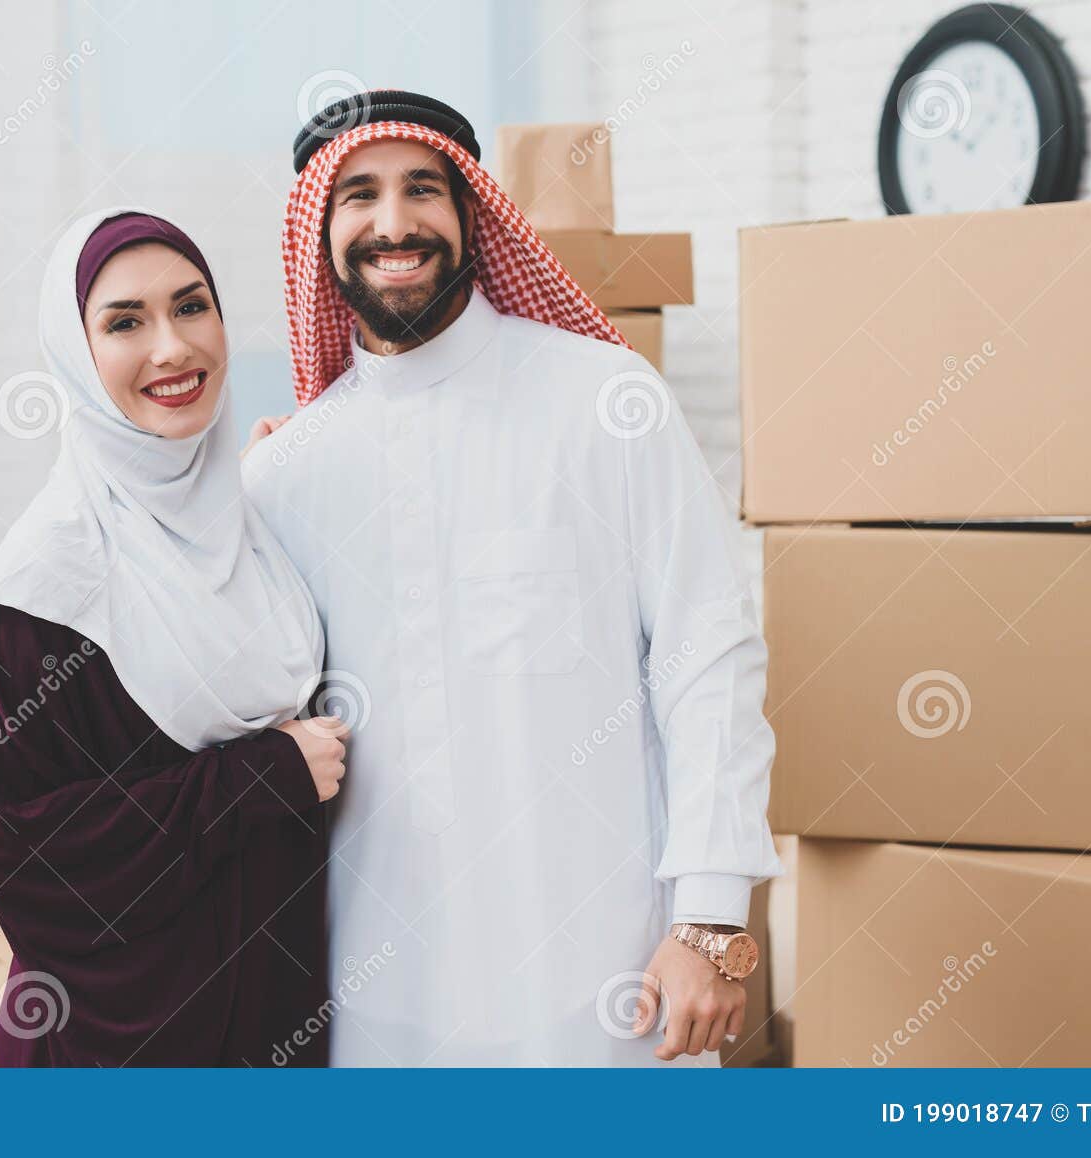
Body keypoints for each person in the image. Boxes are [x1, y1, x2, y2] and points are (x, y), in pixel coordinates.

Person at [242, 92, 784, 1066]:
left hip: (606, 988)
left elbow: (710, 657)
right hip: (383, 1008)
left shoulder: (605, 402)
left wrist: (708, 916)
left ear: (472, 213)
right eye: (358, 195)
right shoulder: (285, 476)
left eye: (422, 189)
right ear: (319, 234)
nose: (394, 223)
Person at [0, 208, 346, 1066]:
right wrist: (264, 775)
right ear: (76, 355)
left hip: (272, 1018)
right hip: (119, 1046)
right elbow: (17, 853)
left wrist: (275, 487)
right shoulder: (50, 582)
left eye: (191, 306)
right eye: (125, 322)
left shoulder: (247, 524)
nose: (172, 347)